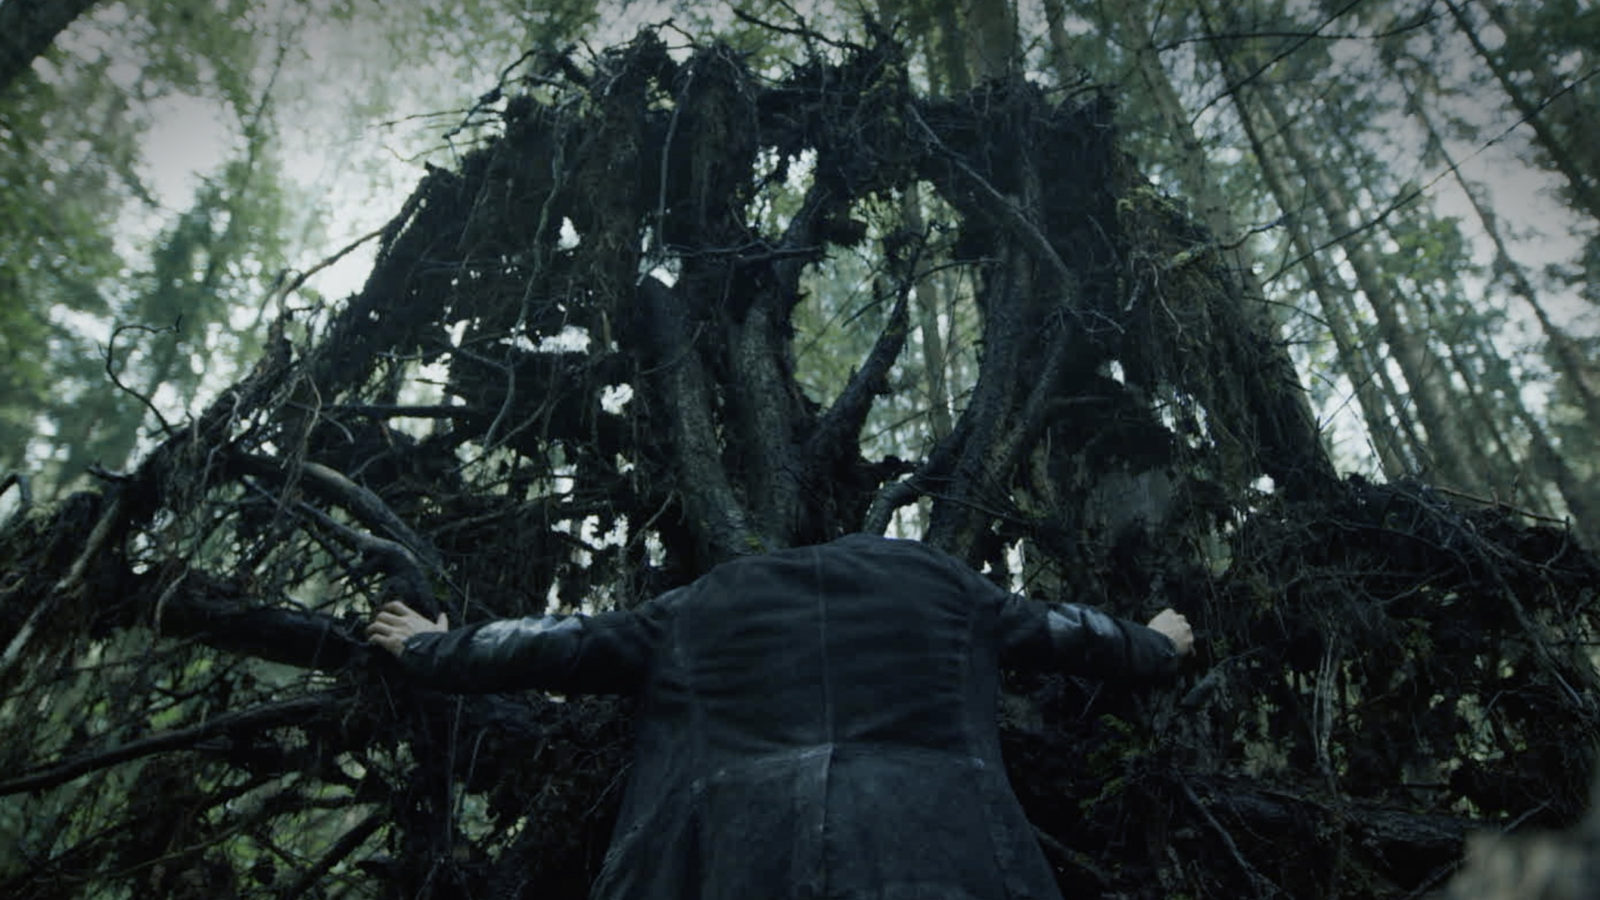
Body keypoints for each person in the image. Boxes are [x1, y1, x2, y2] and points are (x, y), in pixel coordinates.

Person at [368, 532, 1193, 899]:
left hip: (730, 865)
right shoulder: (943, 586)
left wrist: (433, 648)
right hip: (945, 861)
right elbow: (1067, 632)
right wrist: (1156, 644)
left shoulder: (700, 604)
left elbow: (560, 642)